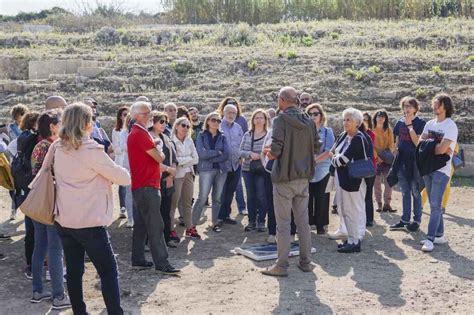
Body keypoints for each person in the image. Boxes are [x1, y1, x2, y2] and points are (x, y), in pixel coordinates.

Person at [50, 103, 130, 314]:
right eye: (91, 119)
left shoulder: (57, 147)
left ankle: (79, 312)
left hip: (64, 219)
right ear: (85, 123)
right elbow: (123, 178)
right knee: (108, 271)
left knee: (74, 272)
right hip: (89, 221)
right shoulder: (90, 150)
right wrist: (110, 165)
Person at [261, 86, 320, 277]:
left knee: (283, 224)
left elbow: (276, 150)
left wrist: (269, 151)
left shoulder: (280, 120)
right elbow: (317, 146)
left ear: (282, 100)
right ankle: (306, 261)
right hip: (303, 178)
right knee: (303, 223)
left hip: (285, 178)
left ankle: (282, 265)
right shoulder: (310, 121)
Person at [127, 101, 180, 274]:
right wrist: (160, 150)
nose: (150, 115)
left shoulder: (139, 132)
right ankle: (161, 262)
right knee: (155, 225)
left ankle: (138, 259)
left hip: (143, 184)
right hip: (147, 185)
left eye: (149, 112)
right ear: (137, 116)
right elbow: (159, 157)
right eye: (146, 113)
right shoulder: (140, 133)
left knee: (142, 224)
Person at [29, 109, 71, 309]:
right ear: (53, 126)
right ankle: (58, 296)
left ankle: (37, 291)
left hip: (38, 201)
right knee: (55, 249)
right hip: (52, 202)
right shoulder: (54, 146)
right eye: (60, 123)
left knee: (40, 247)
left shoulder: (38, 145)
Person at [331, 108, 374, 253]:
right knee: (344, 210)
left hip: (354, 181)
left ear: (357, 122)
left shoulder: (358, 138)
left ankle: (355, 241)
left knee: (353, 211)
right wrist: (336, 159)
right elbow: (334, 153)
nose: (345, 122)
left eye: (348, 120)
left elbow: (342, 159)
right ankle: (350, 239)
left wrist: (336, 159)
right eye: (344, 119)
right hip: (343, 179)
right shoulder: (343, 135)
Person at [419, 94, 458, 252]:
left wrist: (431, 145)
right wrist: (436, 145)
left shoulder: (450, 126)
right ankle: (440, 234)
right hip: (428, 168)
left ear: (445, 106)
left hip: (441, 171)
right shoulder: (429, 123)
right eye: (434, 103)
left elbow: (443, 149)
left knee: (435, 205)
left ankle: (430, 239)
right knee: (433, 203)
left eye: (438, 104)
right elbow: (421, 144)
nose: (434, 106)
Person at [390, 97, 426, 232]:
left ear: (415, 108)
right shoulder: (399, 122)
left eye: (410, 106)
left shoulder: (420, 123)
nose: (407, 109)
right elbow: (397, 140)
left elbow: (418, 142)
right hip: (401, 162)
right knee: (405, 192)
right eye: (405, 106)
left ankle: (416, 221)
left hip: (415, 162)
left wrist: (410, 125)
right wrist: (395, 151)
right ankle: (405, 220)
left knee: (416, 192)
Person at [192, 112, 229, 232]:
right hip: (206, 170)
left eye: (219, 121)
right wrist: (216, 152)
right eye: (214, 120)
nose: (216, 123)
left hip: (221, 170)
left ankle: (214, 223)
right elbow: (201, 153)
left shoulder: (223, 136)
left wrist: (210, 155)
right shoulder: (201, 136)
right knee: (202, 197)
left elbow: (226, 154)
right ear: (208, 121)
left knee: (217, 198)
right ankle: (192, 225)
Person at [15, 111, 40, 279]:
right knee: (34, 229)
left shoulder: (23, 137)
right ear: (33, 123)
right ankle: (32, 265)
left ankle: (31, 264)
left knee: (30, 228)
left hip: (24, 188)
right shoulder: (32, 139)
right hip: (33, 188)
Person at [149, 111, 179, 247]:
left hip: (167, 179)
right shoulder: (148, 137)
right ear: (153, 122)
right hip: (153, 179)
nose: (164, 124)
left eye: (166, 122)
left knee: (165, 211)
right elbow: (151, 161)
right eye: (161, 121)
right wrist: (168, 170)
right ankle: (149, 242)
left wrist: (171, 175)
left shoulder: (166, 137)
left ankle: (166, 239)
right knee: (152, 212)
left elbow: (173, 156)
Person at [306, 104, 335, 234]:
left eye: (315, 114)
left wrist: (314, 161)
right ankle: (308, 222)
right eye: (310, 114)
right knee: (307, 197)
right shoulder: (303, 131)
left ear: (321, 115)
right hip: (306, 169)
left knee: (322, 197)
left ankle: (321, 225)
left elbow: (329, 151)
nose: (313, 116)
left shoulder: (328, 131)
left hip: (323, 168)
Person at [170, 117, 200, 239]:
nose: (186, 128)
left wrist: (183, 161)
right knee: (173, 203)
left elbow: (196, 158)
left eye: (188, 126)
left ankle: (189, 227)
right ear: (176, 126)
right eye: (183, 125)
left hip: (188, 173)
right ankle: (170, 229)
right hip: (176, 175)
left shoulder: (189, 140)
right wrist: (188, 159)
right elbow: (174, 161)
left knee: (187, 202)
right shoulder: (171, 141)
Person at [240, 109, 269, 232]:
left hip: (262, 169)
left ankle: (261, 221)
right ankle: (251, 221)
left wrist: (261, 155)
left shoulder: (268, 135)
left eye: (261, 117)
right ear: (252, 120)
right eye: (256, 117)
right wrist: (250, 154)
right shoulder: (247, 134)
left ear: (265, 120)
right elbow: (240, 151)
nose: (258, 120)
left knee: (262, 195)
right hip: (248, 169)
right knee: (251, 196)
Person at [217, 97, 247, 214]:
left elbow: (242, 143)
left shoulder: (238, 127)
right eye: (229, 112)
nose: (232, 115)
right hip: (222, 165)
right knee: (221, 191)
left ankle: (226, 215)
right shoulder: (218, 126)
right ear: (224, 113)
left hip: (235, 164)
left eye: (234, 113)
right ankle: (218, 216)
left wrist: (241, 157)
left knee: (230, 191)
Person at [7, 104, 28, 220]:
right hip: (13, 158)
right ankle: (13, 209)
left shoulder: (28, 126)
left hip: (24, 160)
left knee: (23, 186)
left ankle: (25, 210)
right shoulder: (11, 127)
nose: (18, 118)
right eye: (16, 116)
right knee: (13, 187)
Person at [373, 110, 396, 213]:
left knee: (388, 183)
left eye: (383, 116)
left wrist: (386, 156)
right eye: (379, 116)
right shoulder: (372, 129)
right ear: (375, 117)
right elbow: (371, 145)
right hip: (375, 160)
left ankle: (387, 204)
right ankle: (379, 204)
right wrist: (377, 157)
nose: (381, 118)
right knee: (376, 183)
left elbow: (392, 144)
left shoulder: (389, 130)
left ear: (386, 118)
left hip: (387, 160)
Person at [112, 106, 130, 220]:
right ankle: (123, 207)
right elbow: (116, 149)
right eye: (124, 114)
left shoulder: (131, 129)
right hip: (121, 160)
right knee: (123, 185)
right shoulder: (116, 131)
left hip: (130, 160)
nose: (126, 116)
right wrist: (125, 147)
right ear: (120, 116)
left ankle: (130, 209)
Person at [119, 113, 134, 228]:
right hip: (129, 165)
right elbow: (124, 146)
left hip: (139, 167)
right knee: (129, 193)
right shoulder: (124, 133)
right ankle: (130, 218)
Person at [362, 112, 376, 227]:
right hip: (359, 168)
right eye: (362, 119)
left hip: (368, 168)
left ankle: (369, 219)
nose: (364, 122)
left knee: (368, 194)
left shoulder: (370, 134)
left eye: (366, 120)